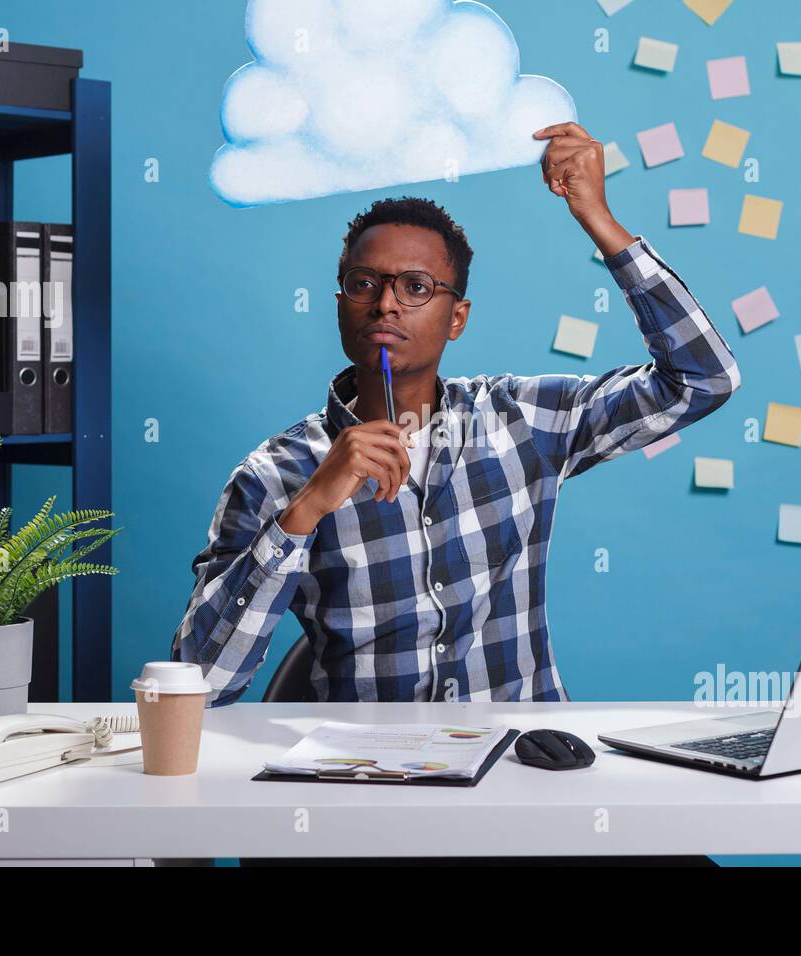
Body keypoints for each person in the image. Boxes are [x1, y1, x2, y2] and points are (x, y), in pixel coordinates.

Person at [172, 121, 742, 706]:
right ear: (341, 305)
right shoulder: (274, 475)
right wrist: (306, 508)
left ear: (457, 319)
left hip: (520, 752)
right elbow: (200, 685)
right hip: (363, 760)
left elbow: (703, 378)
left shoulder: (522, 421)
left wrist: (599, 220)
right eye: (364, 283)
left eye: (416, 287)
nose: (386, 303)